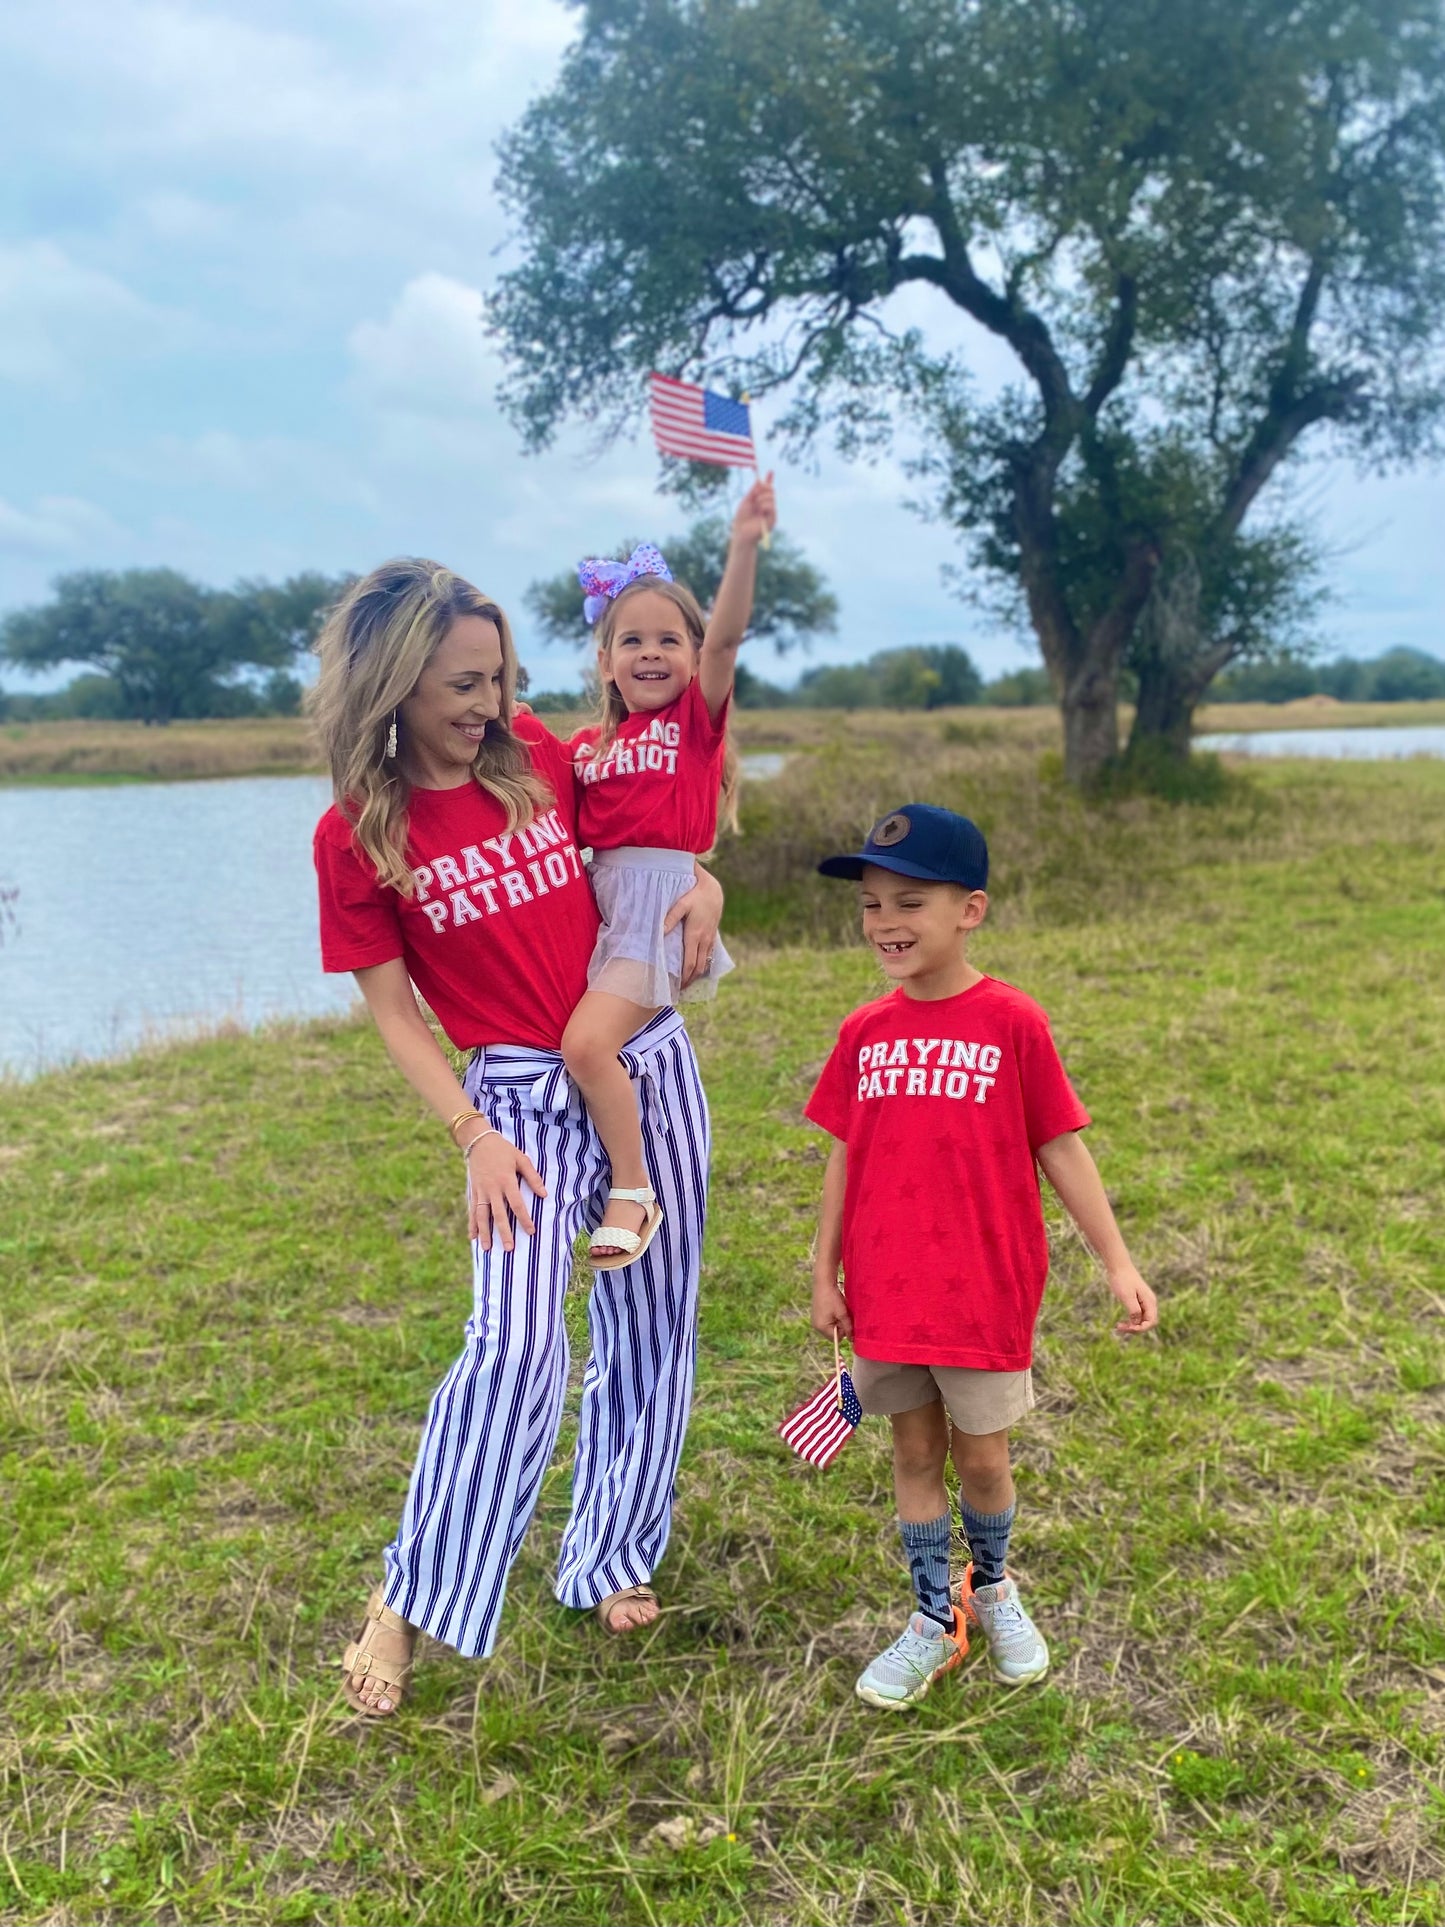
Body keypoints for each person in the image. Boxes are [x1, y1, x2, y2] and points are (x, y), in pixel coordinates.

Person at [309, 557, 727, 1716]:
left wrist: (709, 887)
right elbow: (392, 1009)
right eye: (457, 683)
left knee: (652, 1321)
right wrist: (468, 1135)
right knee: (513, 1350)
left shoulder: (544, 756)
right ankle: (406, 1601)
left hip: (642, 1061)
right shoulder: (355, 834)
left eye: (494, 677)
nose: (485, 704)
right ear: (390, 683)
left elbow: (651, 842)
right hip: (514, 1102)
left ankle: (612, 1550)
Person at [804, 803, 1158, 1710]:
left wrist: (1115, 1260)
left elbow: (1062, 1146)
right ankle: (932, 1616)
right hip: (887, 1287)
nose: (885, 922)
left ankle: (991, 1586)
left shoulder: (1012, 1021)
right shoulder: (863, 1031)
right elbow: (844, 1151)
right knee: (913, 1452)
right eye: (871, 905)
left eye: (909, 901)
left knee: (984, 1460)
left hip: (983, 1291)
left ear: (971, 909)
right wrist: (823, 1271)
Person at [561, 475, 776, 1268]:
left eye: (668, 641)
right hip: (598, 903)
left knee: (587, 1047)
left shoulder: (694, 727)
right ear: (606, 660)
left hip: (656, 908)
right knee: (588, 1047)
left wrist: (742, 545)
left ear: (691, 659)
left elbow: (727, 639)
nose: (651, 653)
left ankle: (634, 1186)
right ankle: (603, 1164)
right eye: (632, 641)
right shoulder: (584, 747)